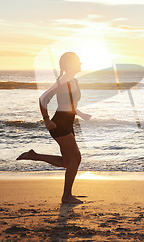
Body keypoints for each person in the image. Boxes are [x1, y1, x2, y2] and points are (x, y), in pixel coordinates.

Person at [17, 52, 91, 204]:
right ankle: (66, 196)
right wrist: (46, 120)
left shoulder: (74, 81)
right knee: (76, 158)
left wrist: (81, 114)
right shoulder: (63, 81)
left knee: (66, 161)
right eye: (77, 61)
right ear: (70, 64)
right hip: (60, 123)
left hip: (68, 123)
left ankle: (34, 156)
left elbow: (70, 104)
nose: (80, 63)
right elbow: (43, 99)